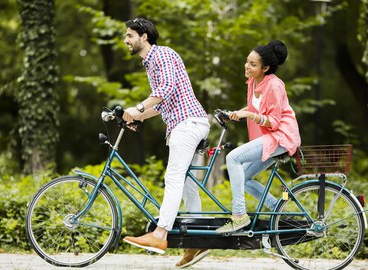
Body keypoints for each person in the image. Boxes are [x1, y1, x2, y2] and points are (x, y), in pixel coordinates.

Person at [121, 18, 210, 267]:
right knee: (188, 185)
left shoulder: (162, 55)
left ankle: (160, 235)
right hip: (188, 122)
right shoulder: (151, 64)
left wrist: (138, 106)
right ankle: (198, 241)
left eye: (129, 35)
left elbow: (167, 88)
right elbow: (160, 103)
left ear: (144, 36)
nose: (126, 40)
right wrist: (138, 115)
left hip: (187, 122)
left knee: (173, 177)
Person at [216, 40, 301, 234]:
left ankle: (239, 216)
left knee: (233, 158)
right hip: (270, 137)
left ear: (266, 68)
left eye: (253, 64)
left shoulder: (274, 86)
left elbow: (274, 121)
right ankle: (277, 209)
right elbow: (255, 108)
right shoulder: (253, 81)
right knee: (244, 177)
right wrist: (235, 113)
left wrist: (248, 115)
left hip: (282, 136)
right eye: (247, 61)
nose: (247, 66)